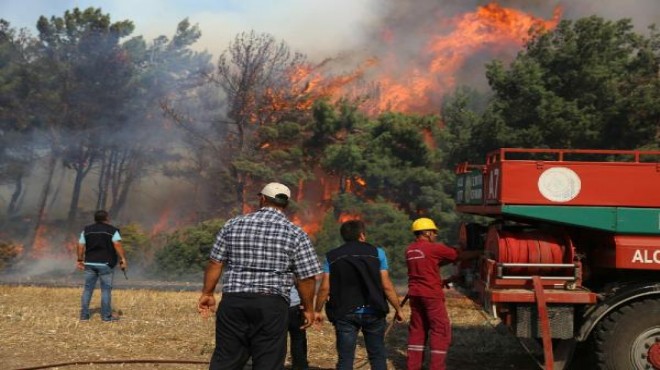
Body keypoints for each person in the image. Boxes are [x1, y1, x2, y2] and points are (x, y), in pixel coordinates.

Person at [197, 182, 322, 370]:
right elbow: (306, 277)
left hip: (234, 303)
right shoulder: (296, 233)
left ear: (262, 199)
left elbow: (216, 262)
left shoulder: (233, 224)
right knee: (268, 362)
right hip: (271, 306)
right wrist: (308, 309)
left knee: (226, 361)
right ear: (286, 204)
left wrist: (207, 293)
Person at [314, 220, 404, 370]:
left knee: (346, 358)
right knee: (377, 356)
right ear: (362, 235)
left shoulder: (332, 256)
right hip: (374, 312)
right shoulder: (378, 253)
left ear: (344, 236)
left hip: (344, 313)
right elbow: (386, 286)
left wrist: (317, 310)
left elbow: (324, 288)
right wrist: (398, 308)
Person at [405, 217, 482, 370]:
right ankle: (437, 367)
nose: (435, 235)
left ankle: (413, 367)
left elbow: (431, 264)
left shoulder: (410, 250)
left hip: (415, 295)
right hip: (431, 296)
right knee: (440, 331)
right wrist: (481, 252)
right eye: (434, 232)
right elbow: (457, 255)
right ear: (427, 233)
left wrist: (447, 279)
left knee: (417, 331)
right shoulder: (434, 248)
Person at [76, 210, 127, 322]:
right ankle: (106, 317)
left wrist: (80, 259)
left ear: (95, 218)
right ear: (107, 218)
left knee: (88, 289)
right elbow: (117, 244)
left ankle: (84, 316)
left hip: (89, 263)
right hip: (106, 264)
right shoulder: (112, 230)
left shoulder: (87, 230)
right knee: (106, 291)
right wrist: (122, 259)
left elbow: (80, 245)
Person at [288, 285, 309, 370]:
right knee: (298, 339)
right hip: (294, 304)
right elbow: (303, 284)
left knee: (276, 340)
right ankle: (300, 366)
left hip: (275, 304)